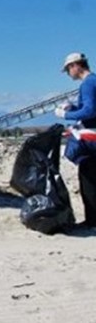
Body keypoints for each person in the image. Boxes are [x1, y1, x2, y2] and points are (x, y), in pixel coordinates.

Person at [56, 52, 96, 228]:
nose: (68, 74)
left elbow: (89, 112)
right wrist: (73, 107)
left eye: (67, 70)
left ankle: (92, 221)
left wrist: (66, 114)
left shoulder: (87, 84)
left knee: (88, 178)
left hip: (92, 138)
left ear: (76, 66)